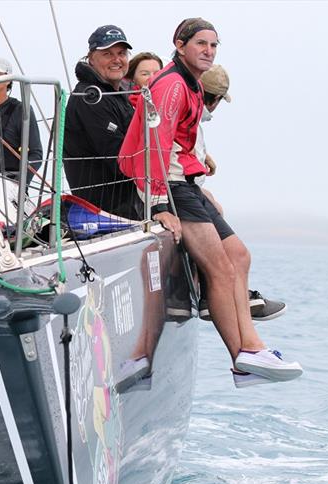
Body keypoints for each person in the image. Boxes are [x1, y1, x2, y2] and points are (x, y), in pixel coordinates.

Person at [118, 18, 302, 387]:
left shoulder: (193, 84)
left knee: (239, 256)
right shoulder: (171, 84)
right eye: (201, 43)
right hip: (171, 186)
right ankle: (244, 355)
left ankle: (250, 351)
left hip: (187, 184)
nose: (208, 51)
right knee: (219, 269)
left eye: (214, 45)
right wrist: (158, 205)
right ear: (180, 44)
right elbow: (156, 144)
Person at [194, 65, 287, 322]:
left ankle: (216, 295)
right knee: (235, 256)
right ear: (214, 100)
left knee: (219, 219)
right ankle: (224, 303)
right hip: (184, 192)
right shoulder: (190, 112)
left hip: (191, 189)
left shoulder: (192, 116)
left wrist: (203, 158)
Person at [64, 25, 142, 221]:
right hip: (107, 213)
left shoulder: (116, 94)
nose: (116, 60)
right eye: (107, 54)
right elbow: (121, 161)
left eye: (121, 53)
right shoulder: (90, 96)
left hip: (128, 205)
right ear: (91, 58)